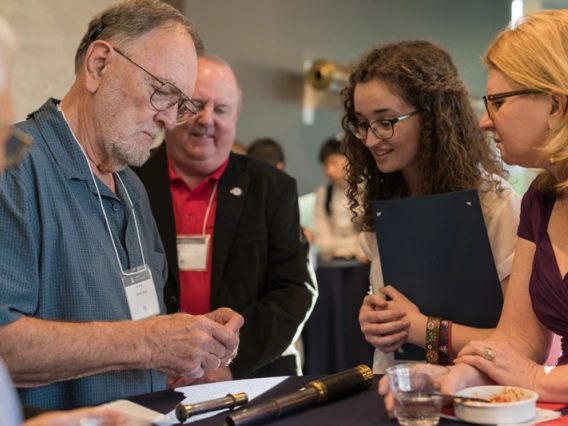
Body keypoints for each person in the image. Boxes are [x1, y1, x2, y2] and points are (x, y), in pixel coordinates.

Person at [0, 0, 243, 411]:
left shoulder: (132, 185)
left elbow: (131, 319)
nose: (170, 120)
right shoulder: (16, 168)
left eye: (180, 105)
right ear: (98, 65)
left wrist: (189, 341)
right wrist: (148, 343)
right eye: (162, 92)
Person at [383, 10, 568, 408]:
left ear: (555, 105)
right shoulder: (542, 197)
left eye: (497, 102)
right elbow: (516, 340)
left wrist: (537, 379)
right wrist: (456, 376)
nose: (484, 122)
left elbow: (530, 368)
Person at [134, 55, 317, 385]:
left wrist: (227, 363)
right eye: (196, 105)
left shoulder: (273, 189)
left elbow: (294, 289)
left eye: (220, 110)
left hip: (251, 377)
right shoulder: (129, 182)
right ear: (173, 108)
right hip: (151, 379)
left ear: (235, 116)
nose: (207, 119)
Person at [344, 40, 521, 374]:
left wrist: (421, 329)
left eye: (386, 121)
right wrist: (377, 320)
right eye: (362, 124)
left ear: (434, 116)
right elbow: (394, 306)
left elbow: (516, 342)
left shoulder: (494, 205)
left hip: (473, 396)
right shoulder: (382, 202)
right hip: (396, 389)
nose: (369, 139)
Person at [313, 136, 365, 261]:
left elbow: (369, 235)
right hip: (334, 261)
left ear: (350, 160)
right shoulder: (323, 194)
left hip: (362, 261)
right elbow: (322, 237)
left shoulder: (366, 191)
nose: (329, 170)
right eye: (325, 165)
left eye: (334, 162)